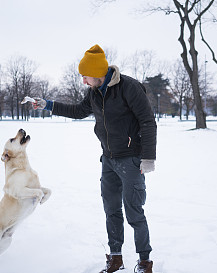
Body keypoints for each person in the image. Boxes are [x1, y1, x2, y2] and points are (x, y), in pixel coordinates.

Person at [33, 44, 157, 273]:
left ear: (98, 73)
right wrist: (48, 105)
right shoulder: (94, 92)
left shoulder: (128, 88)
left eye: (85, 77)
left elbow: (148, 121)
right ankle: (116, 258)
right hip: (108, 160)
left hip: (131, 160)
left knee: (134, 212)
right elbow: (78, 111)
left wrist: (148, 158)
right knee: (111, 210)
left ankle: (144, 262)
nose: (83, 82)